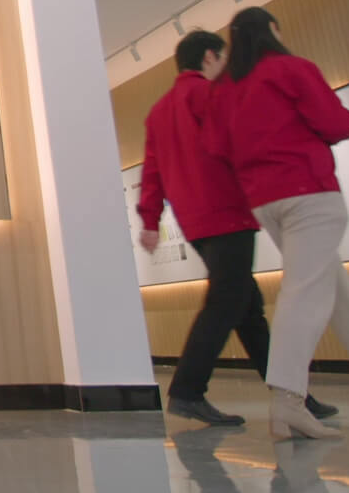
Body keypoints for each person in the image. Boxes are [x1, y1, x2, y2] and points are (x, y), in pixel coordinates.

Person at [205, 6, 349, 440]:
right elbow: (338, 124)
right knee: (305, 296)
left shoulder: (225, 90)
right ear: (272, 31)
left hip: (265, 202)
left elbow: (218, 147)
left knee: (341, 301)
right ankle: (287, 401)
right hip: (310, 195)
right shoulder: (291, 69)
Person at [139, 30, 335, 427]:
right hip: (227, 211)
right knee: (227, 302)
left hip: (195, 221)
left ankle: (294, 397)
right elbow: (240, 140)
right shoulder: (208, 95)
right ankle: (187, 391)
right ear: (210, 57)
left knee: (247, 310)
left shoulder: (159, 111)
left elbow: (152, 171)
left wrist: (150, 219)